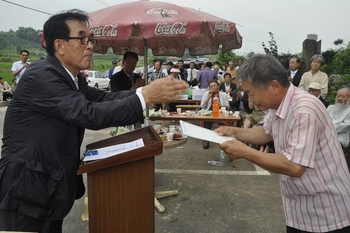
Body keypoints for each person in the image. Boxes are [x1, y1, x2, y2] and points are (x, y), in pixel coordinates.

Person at [0, 9, 188, 233]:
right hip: (27, 189)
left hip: (51, 188)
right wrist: (146, 97)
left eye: (91, 39)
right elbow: (88, 113)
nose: (90, 46)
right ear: (59, 46)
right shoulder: (41, 75)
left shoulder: (74, 78)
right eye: (82, 39)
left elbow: (103, 98)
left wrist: (146, 92)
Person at [215, 54, 350, 233]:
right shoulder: (277, 105)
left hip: (325, 211)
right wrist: (235, 132)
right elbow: (266, 132)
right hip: (298, 207)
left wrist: (245, 152)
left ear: (274, 86)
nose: (251, 101)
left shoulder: (304, 109)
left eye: (252, 93)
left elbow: (294, 166)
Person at [201, 80, 229, 149]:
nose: (213, 88)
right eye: (211, 86)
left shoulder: (224, 95)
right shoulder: (206, 94)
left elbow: (228, 106)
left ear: (218, 86)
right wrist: (208, 97)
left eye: (214, 86)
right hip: (209, 111)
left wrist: (221, 105)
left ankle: (225, 141)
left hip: (220, 111)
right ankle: (206, 140)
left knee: (225, 122)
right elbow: (202, 106)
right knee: (207, 120)